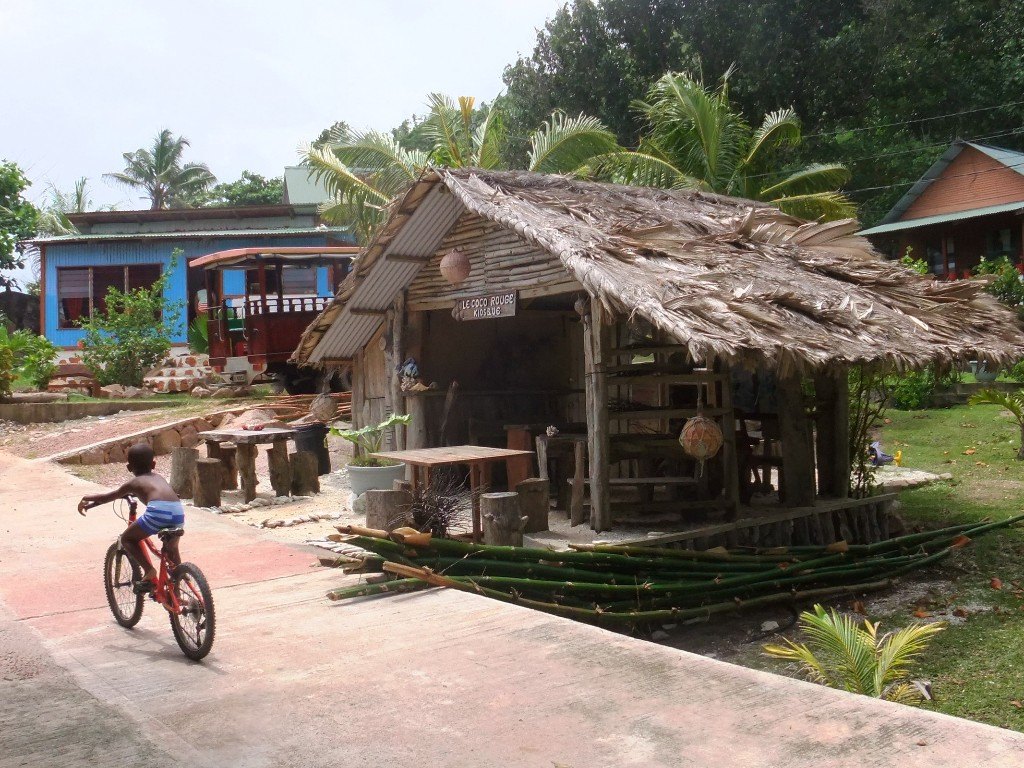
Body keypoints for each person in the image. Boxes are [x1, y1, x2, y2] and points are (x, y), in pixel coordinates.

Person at [78, 443, 184, 593]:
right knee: (172, 549)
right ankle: (179, 585)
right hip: (177, 511)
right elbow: (151, 492)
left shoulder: (133, 483)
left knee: (127, 538)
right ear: (153, 464)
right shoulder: (159, 477)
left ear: (129, 467)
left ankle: (149, 570)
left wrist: (86, 499)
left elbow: (107, 497)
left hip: (158, 512)